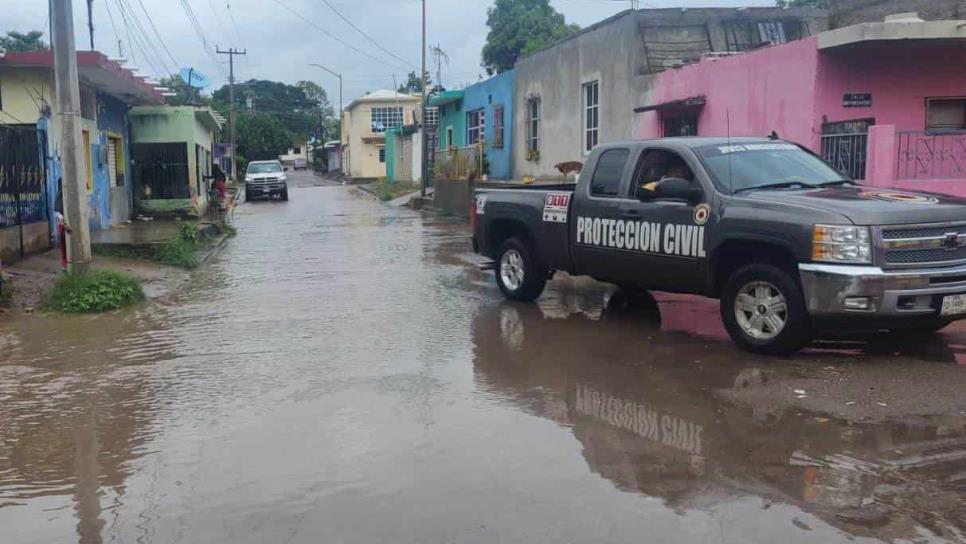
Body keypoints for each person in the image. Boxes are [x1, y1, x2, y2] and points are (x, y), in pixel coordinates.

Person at [54, 180, 71, 271]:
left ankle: (69, 262)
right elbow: (58, 213)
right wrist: (66, 225)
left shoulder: (69, 195)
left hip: (70, 224)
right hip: (63, 226)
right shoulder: (60, 195)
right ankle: (64, 264)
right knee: (64, 245)